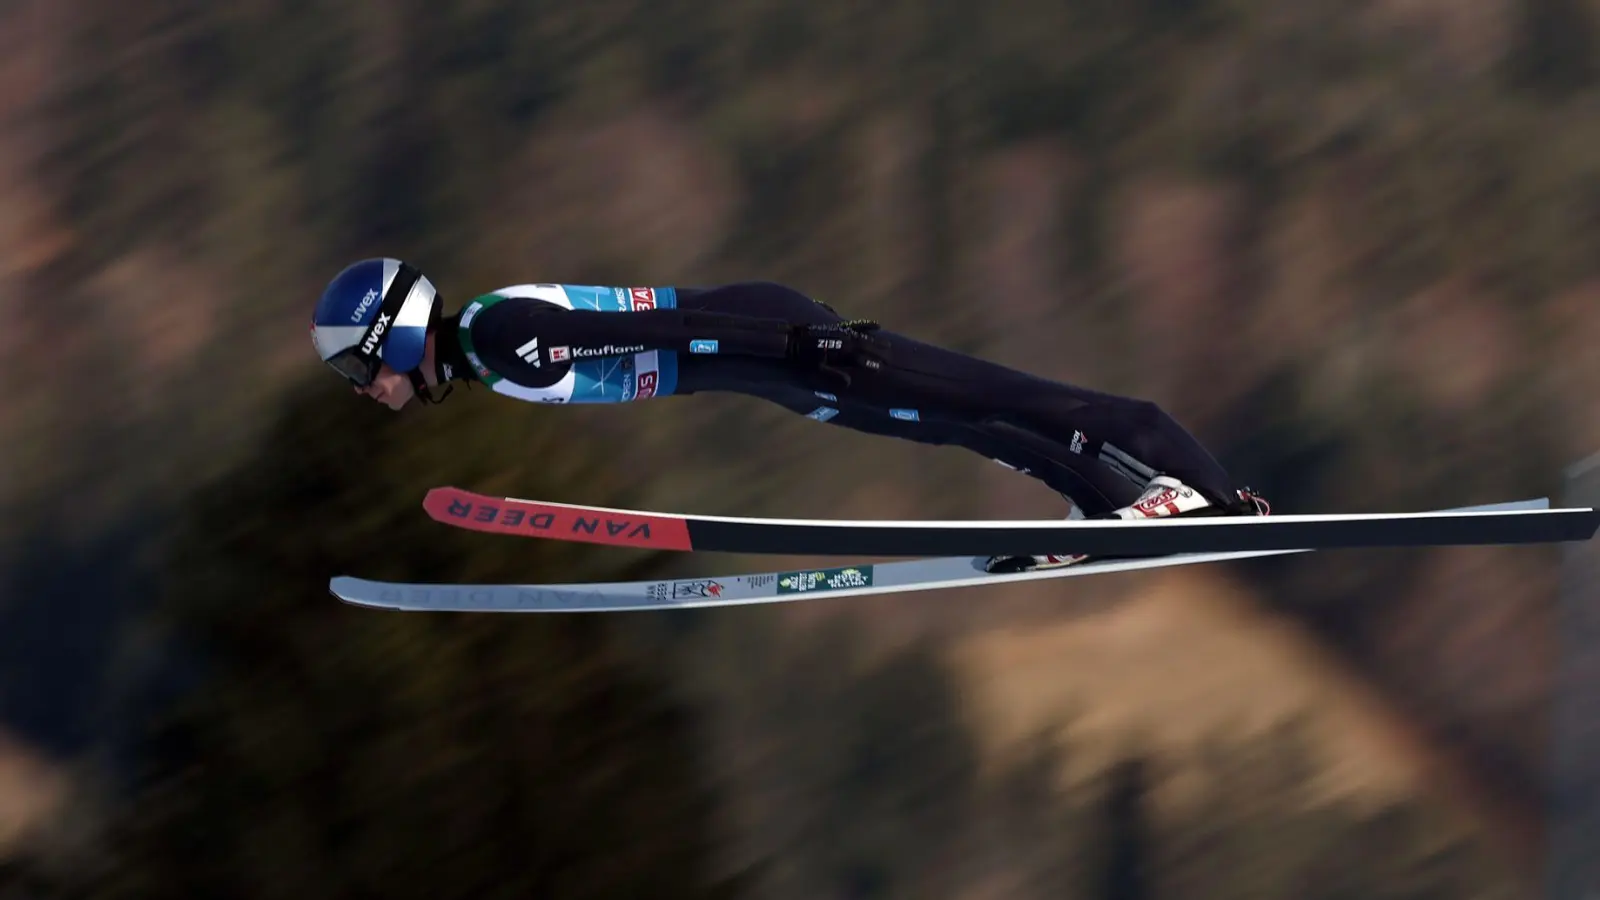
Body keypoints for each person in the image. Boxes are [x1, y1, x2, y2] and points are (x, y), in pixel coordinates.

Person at [310, 257, 1270, 572]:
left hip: (774, 346)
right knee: (966, 425)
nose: (365, 391)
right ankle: (1113, 507)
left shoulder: (501, 340)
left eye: (362, 369)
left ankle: (1213, 505)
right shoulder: (488, 348)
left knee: (1005, 402)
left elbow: (683, 327)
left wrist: (803, 348)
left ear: (392, 337)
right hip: (771, 363)